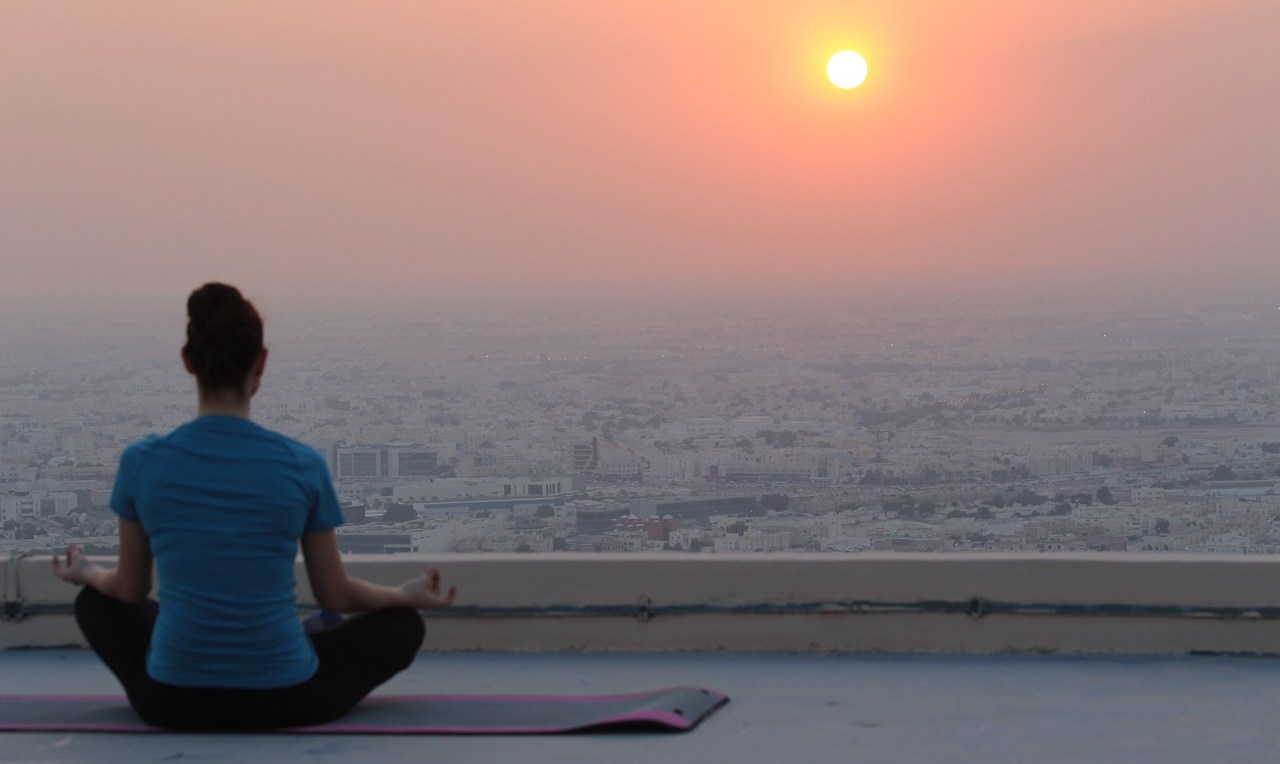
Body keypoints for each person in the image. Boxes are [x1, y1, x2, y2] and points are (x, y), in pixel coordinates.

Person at [53, 282, 455, 730]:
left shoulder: (142, 462)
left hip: (170, 700)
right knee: (403, 627)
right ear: (261, 362)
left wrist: (87, 572)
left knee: (95, 603)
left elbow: (129, 589)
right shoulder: (301, 465)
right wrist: (404, 596)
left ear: (188, 360)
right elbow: (336, 595)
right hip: (289, 699)